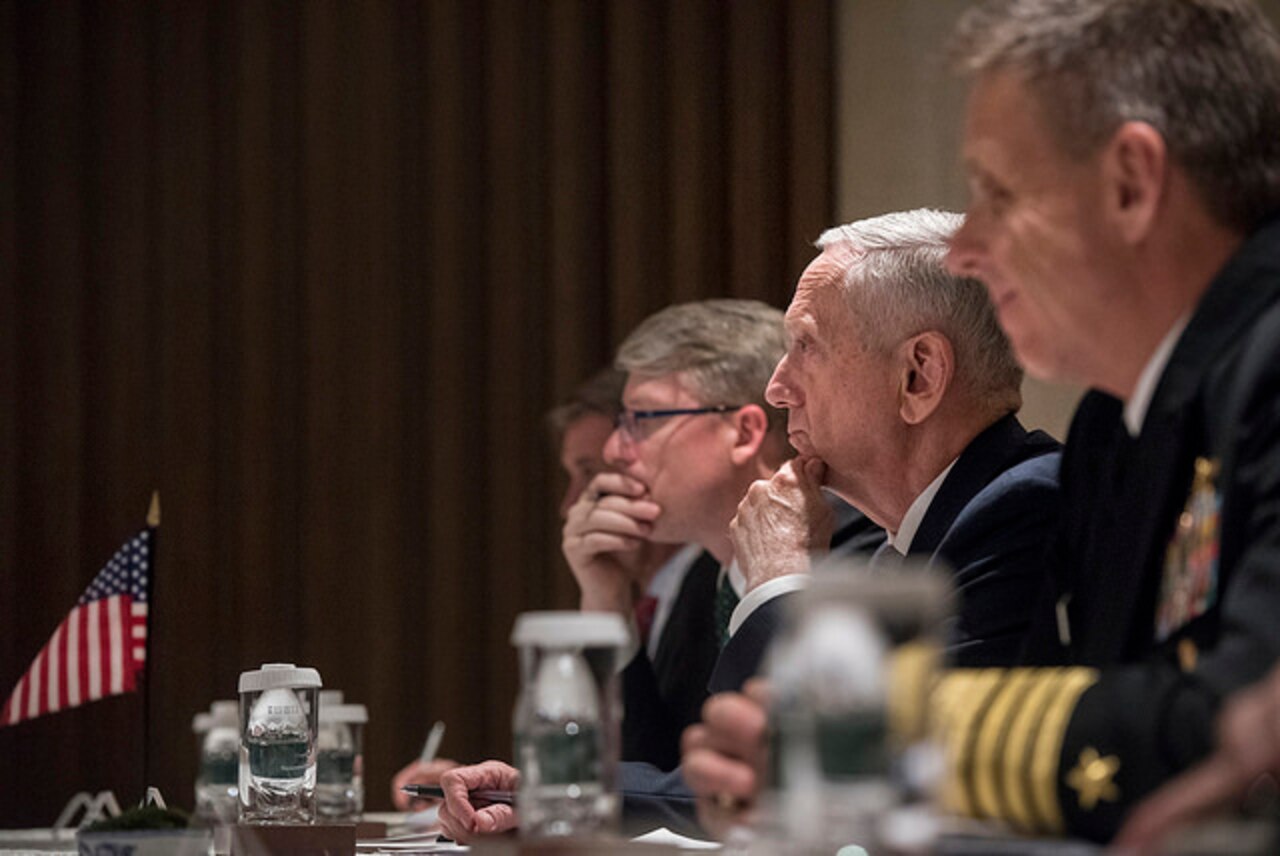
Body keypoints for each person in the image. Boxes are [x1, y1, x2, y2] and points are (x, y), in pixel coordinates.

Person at [685, 0, 1280, 843]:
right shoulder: (1124, 422)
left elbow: (1235, 727)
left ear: (1132, 186)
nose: (969, 250)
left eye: (1000, 194)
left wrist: (870, 740)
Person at [436, 298, 883, 841]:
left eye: (640, 421)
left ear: (742, 433)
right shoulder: (703, 581)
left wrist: (549, 787)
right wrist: (607, 601)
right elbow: (659, 778)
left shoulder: (861, 558)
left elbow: (766, 792)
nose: (614, 449)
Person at [714, 208, 1060, 699]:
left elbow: (858, 754)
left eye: (806, 346)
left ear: (918, 376)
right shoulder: (901, 548)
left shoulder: (1024, 513)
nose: (776, 389)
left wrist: (779, 581)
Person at [390, 367, 704, 806]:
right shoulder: (649, 597)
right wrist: (498, 793)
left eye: (590, 473)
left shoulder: (712, 582)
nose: (570, 503)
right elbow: (627, 769)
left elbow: (664, 777)